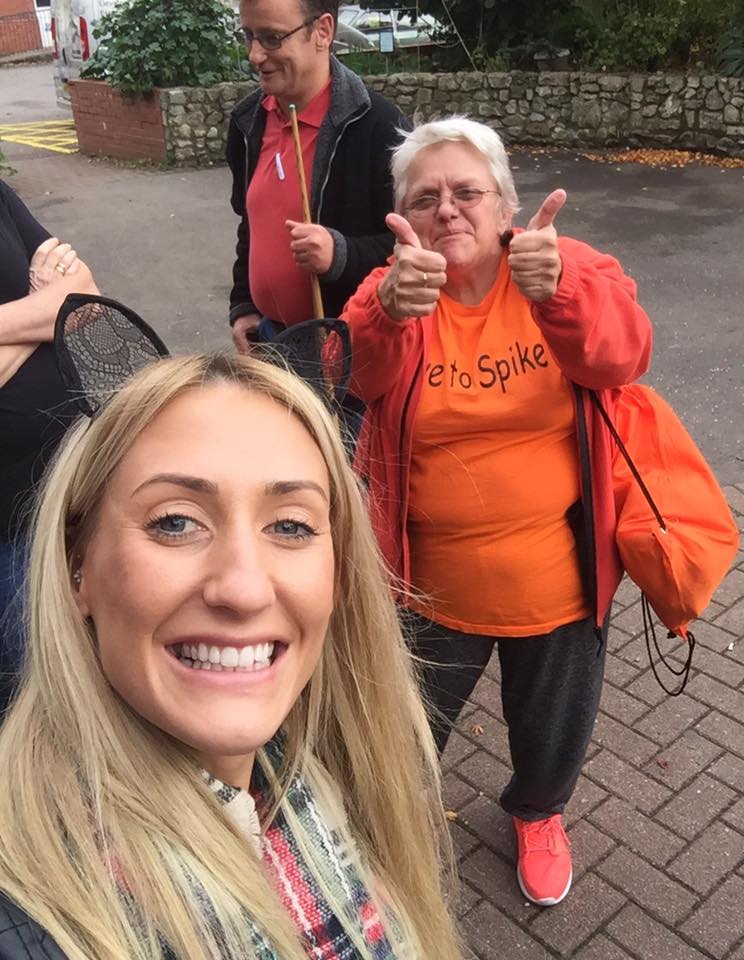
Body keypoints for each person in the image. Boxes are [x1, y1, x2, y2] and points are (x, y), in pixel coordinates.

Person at [0, 353, 462, 960]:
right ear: (75, 565)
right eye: (175, 522)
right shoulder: (28, 920)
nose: (243, 589)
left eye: (291, 526)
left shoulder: (329, 773)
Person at [342, 117, 653, 908]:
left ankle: (538, 812)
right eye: (426, 198)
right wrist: (386, 313)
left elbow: (625, 355)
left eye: (467, 192)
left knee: (554, 725)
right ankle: (393, 822)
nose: (447, 209)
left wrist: (563, 292)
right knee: (406, 729)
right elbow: (350, 376)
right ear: (404, 219)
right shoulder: (392, 290)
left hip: (561, 581)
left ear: (506, 204)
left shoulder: (564, 266)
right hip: (427, 585)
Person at [227, 0, 409, 352]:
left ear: (323, 31)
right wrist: (244, 304)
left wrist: (340, 254)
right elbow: (250, 225)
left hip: (350, 347)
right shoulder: (246, 122)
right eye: (248, 35)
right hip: (269, 338)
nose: (254, 55)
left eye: (272, 38)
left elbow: (414, 247)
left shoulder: (383, 129)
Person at [0, 178, 97, 719]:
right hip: (8, 526)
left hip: (67, 492)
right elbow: (62, 307)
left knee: (83, 666)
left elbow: (86, 298)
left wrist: (53, 308)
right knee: (28, 697)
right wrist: (40, 314)